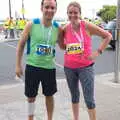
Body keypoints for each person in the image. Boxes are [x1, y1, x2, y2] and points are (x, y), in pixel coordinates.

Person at [58, 1, 112, 120]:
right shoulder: (65, 28)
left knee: (89, 99)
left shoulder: (87, 26)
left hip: (85, 68)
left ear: (80, 13)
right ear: (67, 14)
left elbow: (108, 36)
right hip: (69, 68)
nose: (73, 15)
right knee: (74, 96)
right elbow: (63, 47)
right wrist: (58, 37)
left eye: (75, 13)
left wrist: (98, 52)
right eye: (70, 13)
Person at [15, 0, 62, 120]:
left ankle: (50, 118)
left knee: (49, 95)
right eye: (47, 7)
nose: (50, 10)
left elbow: (63, 46)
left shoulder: (58, 28)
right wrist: (18, 65)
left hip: (49, 67)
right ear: (42, 8)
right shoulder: (32, 24)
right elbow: (21, 45)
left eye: (52, 8)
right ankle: (30, 118)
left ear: (56, 9)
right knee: (31, 97)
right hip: (32, 66)